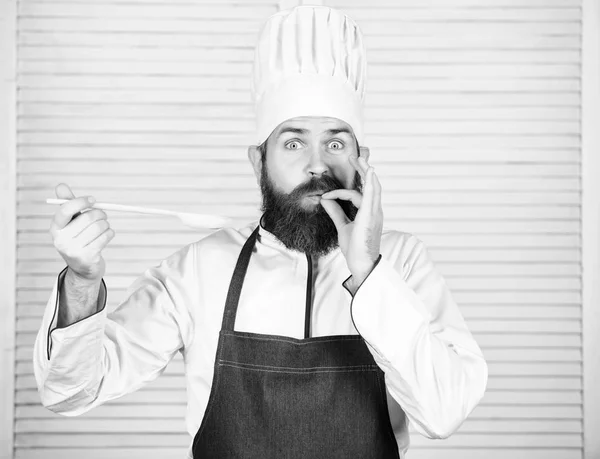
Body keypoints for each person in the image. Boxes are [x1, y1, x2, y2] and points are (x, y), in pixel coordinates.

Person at [33, 5, 488, 459]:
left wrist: (368, 271)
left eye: (336, 142)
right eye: (293, 142)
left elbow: (444, 412)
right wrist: (82, 281)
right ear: (259, 161)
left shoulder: (402, 262)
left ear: (361, 158)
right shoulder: (201, 268)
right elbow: (70, 392)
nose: (317, 164)